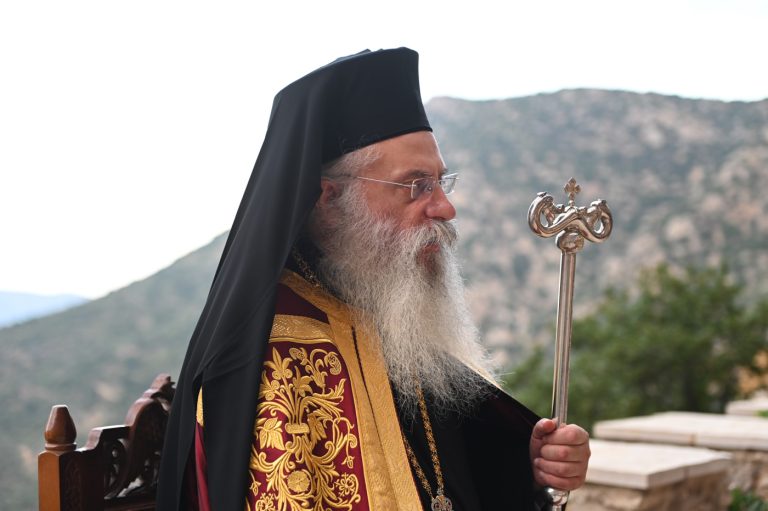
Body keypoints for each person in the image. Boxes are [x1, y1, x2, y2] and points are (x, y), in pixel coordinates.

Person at [157, 48, 590, 511]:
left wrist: (529, 464)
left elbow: (446, 469)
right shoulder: (281, 353)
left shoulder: (378, 302)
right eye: (417, 186)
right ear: (328, 199)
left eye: (442, 182)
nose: (446, 208)